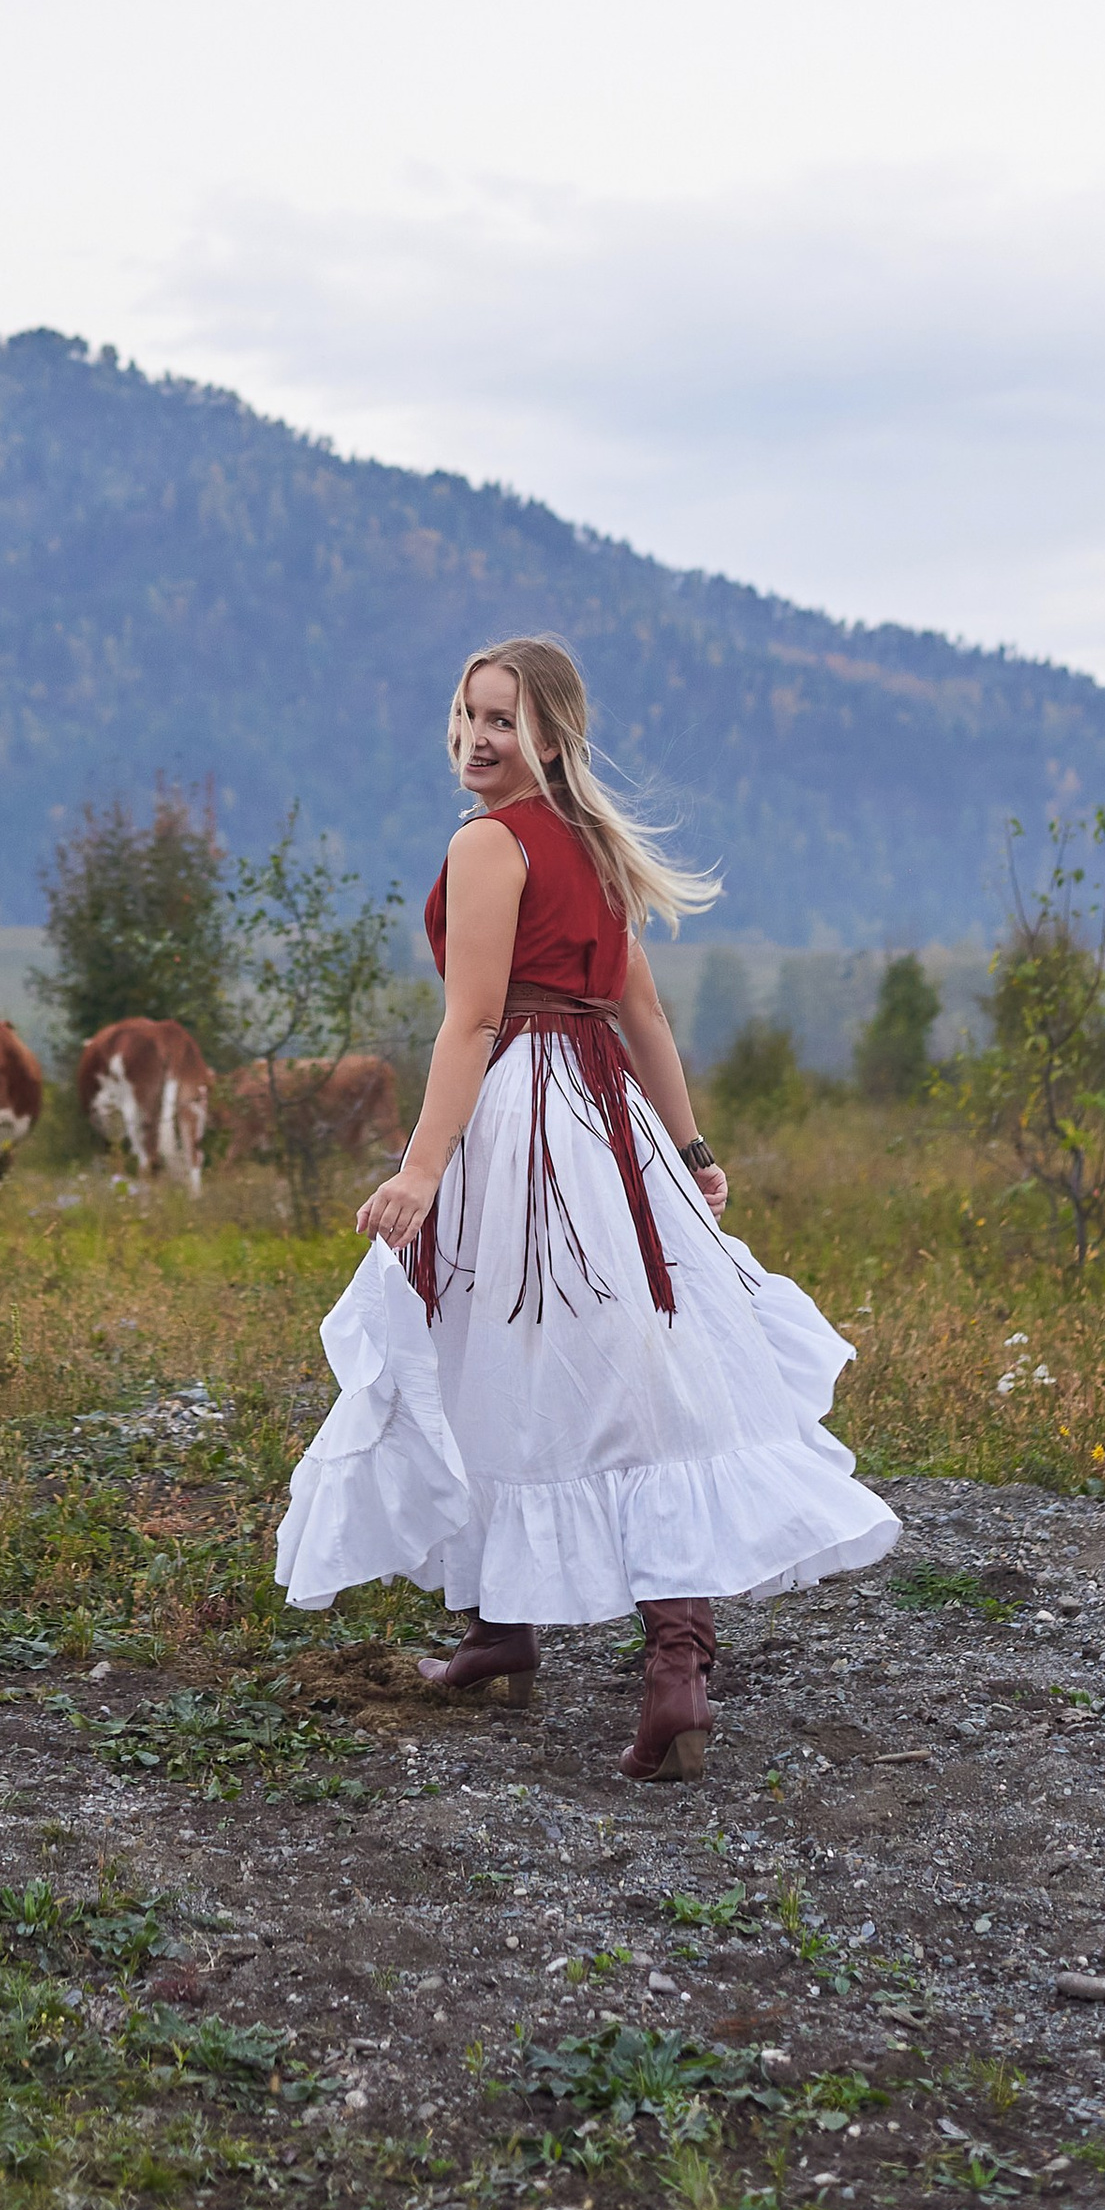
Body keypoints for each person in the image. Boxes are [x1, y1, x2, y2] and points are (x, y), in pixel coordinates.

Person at [274, 635, 896, 1778]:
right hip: (605, 1120)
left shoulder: (489, 844)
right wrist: (689, 1147)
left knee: (500, 1352)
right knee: (592, 1367)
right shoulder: (593, 844)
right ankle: (532, 1638)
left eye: (500, 720)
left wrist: (420, 1167)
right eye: (465, 714)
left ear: (550, 735)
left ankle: (651, 1663)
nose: (474, 739)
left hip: (528, 1115)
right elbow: (642, 1019)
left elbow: (470, 1022)